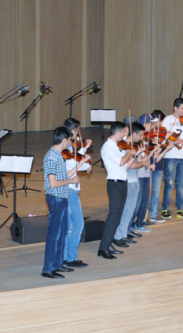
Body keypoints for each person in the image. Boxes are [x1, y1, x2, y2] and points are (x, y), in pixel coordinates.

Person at [41, 126, 91, 279]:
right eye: (69, 140)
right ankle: (48, 268)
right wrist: (71, 180)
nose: (70, 143)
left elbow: (65, 174)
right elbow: (53, 183)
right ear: (63, 140)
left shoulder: (59, 155)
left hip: (62, 198)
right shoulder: (51, 157)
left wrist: (79, 165)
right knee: (54, 235)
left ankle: (57, 264)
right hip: (55, 199)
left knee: (62, 233)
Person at [98, 121, 138, 260]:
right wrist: (129, 154)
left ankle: (108, 244)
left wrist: (132, 156)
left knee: (118, 216)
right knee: (113, 216)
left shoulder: (116, 147)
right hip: (114, 185)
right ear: (118, 132)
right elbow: (121, 161)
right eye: (123, 132)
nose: (124, 135)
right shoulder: (107, 148)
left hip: (122, 183)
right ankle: (103, 248)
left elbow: (124, 167)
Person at [113, 121, 150, 247]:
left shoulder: (133, 146)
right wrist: (143, 163)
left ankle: (125, 233)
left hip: (135, 181)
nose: (142, 138)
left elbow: (138, 161)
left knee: (131, 210)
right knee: (126, 210)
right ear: (133, 134)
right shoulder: (124, 146)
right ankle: (119, 235)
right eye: (140, 136)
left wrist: (142, 156)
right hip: (128, 182)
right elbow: (131, 166)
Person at [62, 118, 92, 269]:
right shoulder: (66, 148)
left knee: (69, 225)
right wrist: (84, 162)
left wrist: (84, 151)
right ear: (73, 130)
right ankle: (69, 257)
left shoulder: (68, 146)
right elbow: (71, 166)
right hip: (70, 190)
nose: (78, 133)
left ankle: (66, 257)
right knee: (77, 224)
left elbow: (75, 160)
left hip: (71, 190)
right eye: (77, 130)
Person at [148, 110, 168, 223]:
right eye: (160, 121)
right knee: (146, 190)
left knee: (156, 190)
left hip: (159, 163)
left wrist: (162, 146)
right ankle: (143, 214)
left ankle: (153, 213)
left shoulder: (163, 131)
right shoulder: (148, 131)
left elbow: (164, 145)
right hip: (147, 162)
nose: (161, 124)